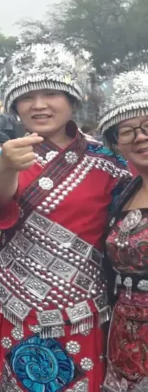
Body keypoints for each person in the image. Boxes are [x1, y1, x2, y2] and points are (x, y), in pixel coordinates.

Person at [0, 43, 129, 392]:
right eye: (28, 97)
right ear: (14, 106)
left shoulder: (108, 163)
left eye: (51, 94)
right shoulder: (0, 155)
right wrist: (6, 166)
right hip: (15, 307)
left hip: (82, 311)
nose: (39, 105)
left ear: (72, 101)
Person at [97, 59, 148, 391]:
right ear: (116, 144)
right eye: (127, 131)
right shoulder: (125, 190)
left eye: (147, 125)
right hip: (124, 333)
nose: (140, 137)